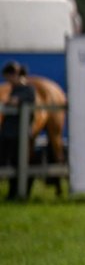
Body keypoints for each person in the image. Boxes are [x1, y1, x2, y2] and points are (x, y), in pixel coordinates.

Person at [1, 61, 36, 200]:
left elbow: (15, 101)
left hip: (19, 134)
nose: (8, 81)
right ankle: (12, 193)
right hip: (8, 132)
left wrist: (10, 101)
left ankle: (19, 193)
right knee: (7, 162)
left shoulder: (28, 89)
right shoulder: (14, 88)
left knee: (19, 163)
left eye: (8, 77)